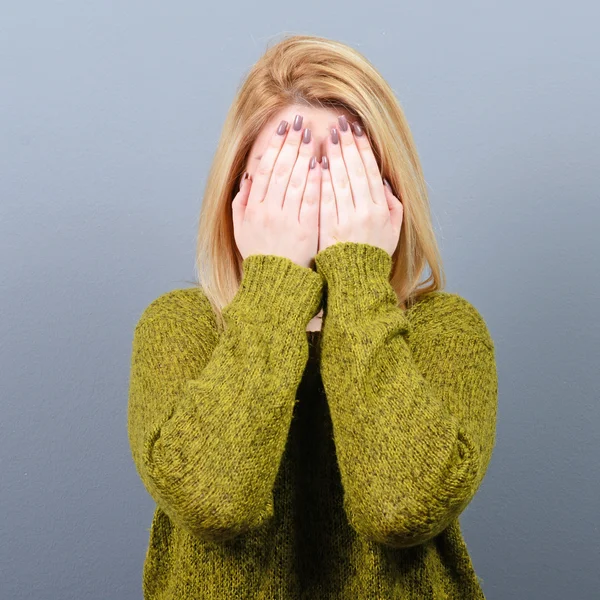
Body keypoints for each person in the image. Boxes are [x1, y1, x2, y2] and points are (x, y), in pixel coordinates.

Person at [127, 33, 498, 599]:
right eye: (289, 174)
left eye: (347, 172)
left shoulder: (447, 332)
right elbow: (215, 502)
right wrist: (275, 285)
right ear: (239, 191)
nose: (318, 198)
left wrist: (356, 275)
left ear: (390, 193)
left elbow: (400, 508)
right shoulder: (179, 328)